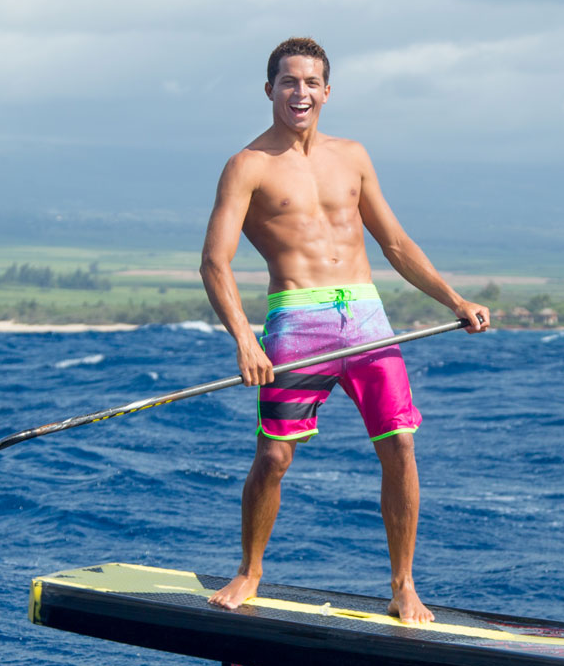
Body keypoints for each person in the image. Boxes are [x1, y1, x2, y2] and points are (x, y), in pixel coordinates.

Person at [199, 37, 490, 623]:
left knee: (401, 446)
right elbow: (214, 262)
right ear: (269, 90)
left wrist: (454, 299)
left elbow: (396, 244)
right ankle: (250, 571)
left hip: (365, 319)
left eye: (311, 82)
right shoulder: (248, 165)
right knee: (275, 458)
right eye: (288, 81)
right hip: (295, 322)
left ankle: (404, 585)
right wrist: (244, 340)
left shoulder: (353, 156)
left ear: (327, 92)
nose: (299, 92)